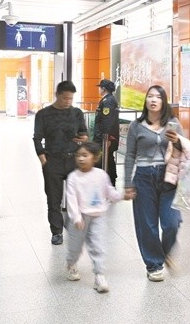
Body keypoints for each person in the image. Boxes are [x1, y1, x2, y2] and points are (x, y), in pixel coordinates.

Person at [123, 85, 184, 282]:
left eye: (158, 97)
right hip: (143, 176)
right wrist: (127, 183)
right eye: (150, 96)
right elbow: (130, 155)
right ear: (146, 100)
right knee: (147, 224)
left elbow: (183, 149)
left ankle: (165, 253)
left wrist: (177, 141)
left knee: (171, 222)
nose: (153, 100)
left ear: (163, 101)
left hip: (169, 177)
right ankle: (153, 265)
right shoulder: (136, 126)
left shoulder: (173, 123)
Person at [65, 142, 130, 293]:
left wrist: (122, 195)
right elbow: (71, 199)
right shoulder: (73, 177)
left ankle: (99, 276)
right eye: (78, 156)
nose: (81, 159)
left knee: (97, 245)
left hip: (98, 217)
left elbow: (109, 192)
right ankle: (71, 263)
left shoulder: (101, 175)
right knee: (75, 247)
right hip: (80, 218)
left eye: (85, 155)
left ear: (95, 158)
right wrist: (76, 217)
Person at [33, 80, 88, 245]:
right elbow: (37, 138)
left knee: (76, 197)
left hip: (73, 160)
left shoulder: (77, 113)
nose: (68, 102)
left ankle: (75, 226)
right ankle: (56, 232)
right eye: (65, 98)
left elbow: (84, 133)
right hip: (53, 160)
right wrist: (44, 161)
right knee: (53, 199)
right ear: (57, 95)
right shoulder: (43, 114)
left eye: (71, 98)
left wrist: (83, 138)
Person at [93, 79, 120, 186]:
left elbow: (107, 121)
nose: (99, 90)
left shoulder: (108, 101)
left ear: (103, 89)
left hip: (105, 138)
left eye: (100, 88)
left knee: (106, 159)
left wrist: (106, 138)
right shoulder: (108, 100)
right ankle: (109, 181)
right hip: (105, 137)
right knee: (107, 158)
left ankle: (110, 181)